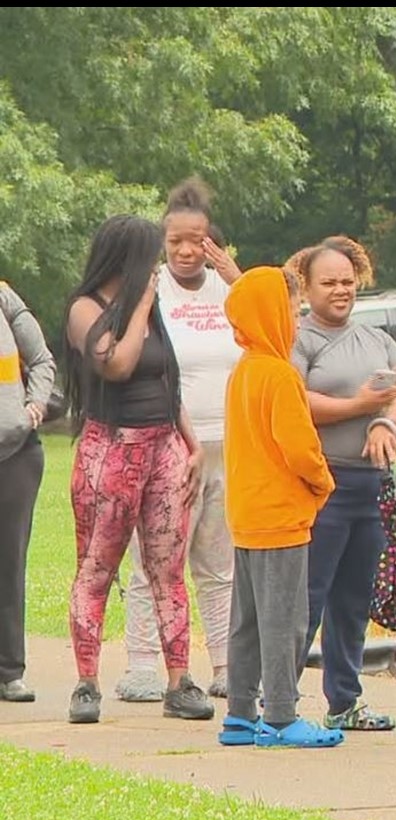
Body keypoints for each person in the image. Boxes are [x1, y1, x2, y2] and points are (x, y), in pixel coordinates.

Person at [63, 215, 216, 725]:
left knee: (168, 568)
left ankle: (179, 681)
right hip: (111, 450)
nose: (157, 268)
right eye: (149, 257)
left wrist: (191, 445)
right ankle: (87, 682)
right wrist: (144, 305)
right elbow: (119, 365)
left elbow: (165, 381)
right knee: (97, 567)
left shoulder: (147, 313)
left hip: (163, 447)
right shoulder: (86, 310)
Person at [288, 237, 396, 732]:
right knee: (309, 593)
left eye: (348, 281)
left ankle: (345, 700)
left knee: (355, 597)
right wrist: (360, 408)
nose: (340, 291)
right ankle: (279, 701)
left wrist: (387, 422)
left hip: (374, 488)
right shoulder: (300, 339)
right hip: (325, 484)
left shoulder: (377, 339)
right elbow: (296, 401)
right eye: (329, 282)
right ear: (307, 286)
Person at [119, 180, 243, 704]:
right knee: (156, 559)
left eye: (198, 240)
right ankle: (144, 664)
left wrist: (236, 276)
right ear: (162, 244)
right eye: (176, 243)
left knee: (221, 564)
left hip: (229, 446)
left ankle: (225, 663)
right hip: (168, 448)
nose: (188, 251)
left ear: (212, 240)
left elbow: (277, 329)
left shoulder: (226, 290)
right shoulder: (152, 291)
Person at [218, 266, 340, 749]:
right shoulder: (280, 376)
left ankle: (241, 714)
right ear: (272, 315)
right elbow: (299, 448)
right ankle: (283, 715)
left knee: (245, 621)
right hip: (281, 519)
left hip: (246, 517)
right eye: (290, 309)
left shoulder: (242, 372)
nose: (295, 318)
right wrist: (323, 481)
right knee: (285, 619)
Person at [0, 280, 56, 704]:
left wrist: (34, 404)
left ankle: (9, 671)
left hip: (15, 454)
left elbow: (40, 360)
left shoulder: (5, 297)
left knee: (9, 564)